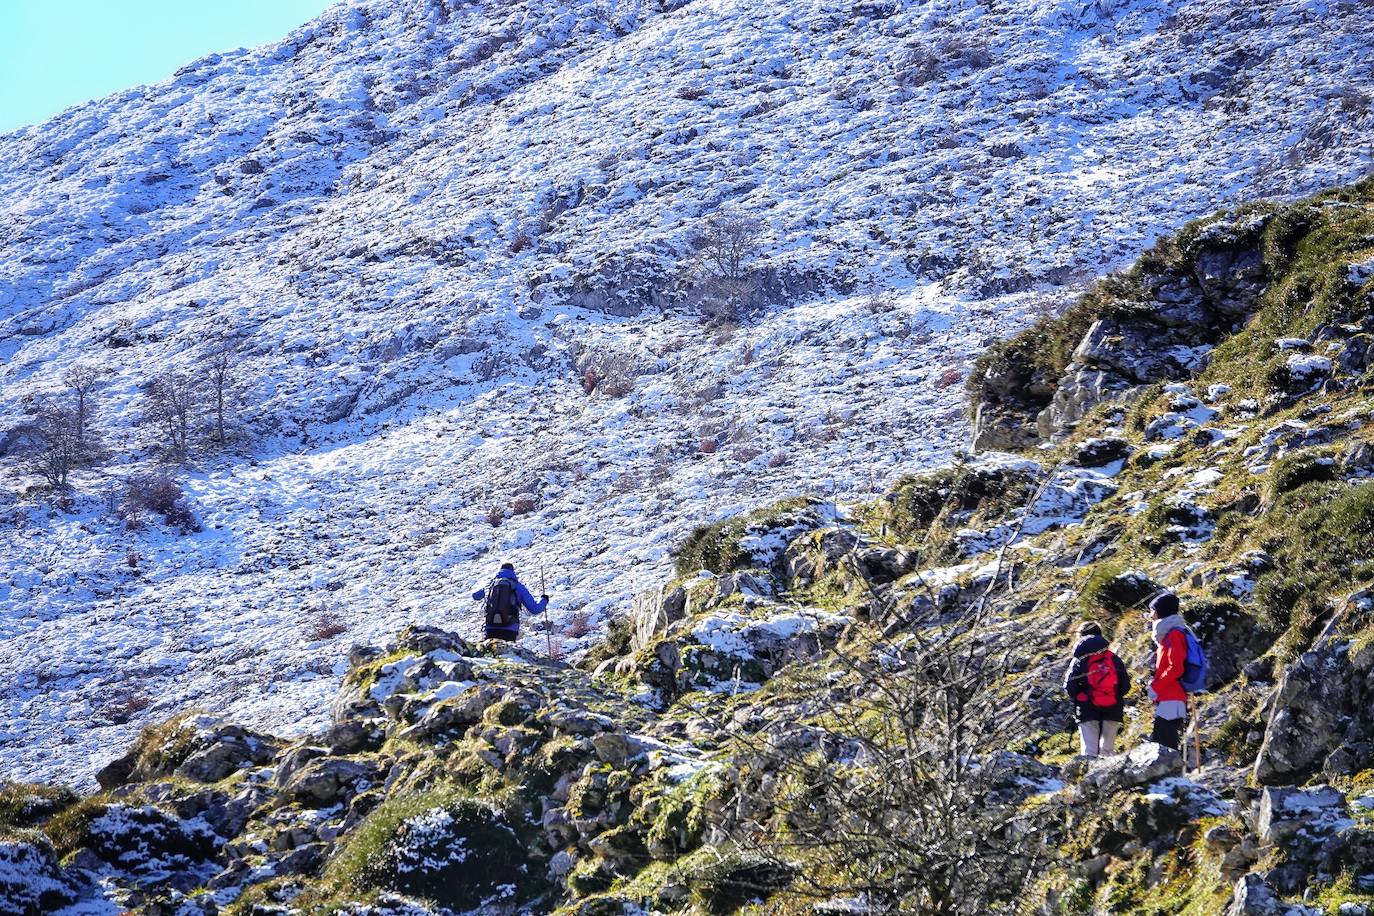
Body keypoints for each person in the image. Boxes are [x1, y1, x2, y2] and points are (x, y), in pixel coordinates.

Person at [1063, 621, 1130, 757]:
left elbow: (1070, 687)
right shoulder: (1113, 658)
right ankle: (1108, 777)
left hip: (1087, 710)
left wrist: (1083, 697)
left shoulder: (1079, 659)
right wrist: (1112, 695)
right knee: (1107, 751)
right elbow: (1125, 686)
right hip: (1113, 709)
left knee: (1090, 752)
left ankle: (1089, 777)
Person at [1147, 593, 1191, 751]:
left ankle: (1173, 775)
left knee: (1163, 744)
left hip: (1172, 697)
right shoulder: (1169, 635)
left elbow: (1176, 668)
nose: (1150, 615)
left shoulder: (1174, 635)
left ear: (1161, 612)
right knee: (1164, 742)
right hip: (1169, 697)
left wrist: (1156, 687)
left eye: (1152, 611)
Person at [472, 563, 548, 642]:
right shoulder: (517, 586)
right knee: (508, 653)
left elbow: (475, 596)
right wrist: (544, 600)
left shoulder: (491, 585)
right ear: (512, 572)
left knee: (490, 652)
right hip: (509, 629)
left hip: (490, 628)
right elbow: (535, 609)